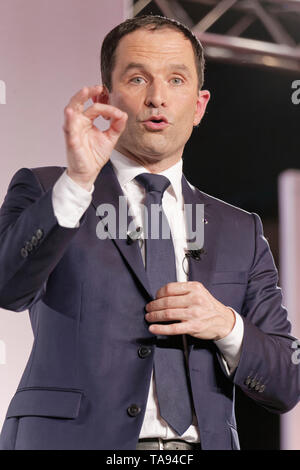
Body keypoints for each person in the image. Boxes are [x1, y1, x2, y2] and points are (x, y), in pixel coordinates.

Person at [0, 15, 299, 451]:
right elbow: (8, 285)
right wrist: (79, 181)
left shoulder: (241, 230)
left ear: (198, 106)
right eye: (138, 78)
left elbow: (285, 382)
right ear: (106, 98)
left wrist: (226, 325)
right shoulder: (50, 189)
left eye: (176, 80)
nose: (158, 98)